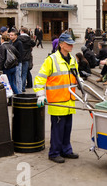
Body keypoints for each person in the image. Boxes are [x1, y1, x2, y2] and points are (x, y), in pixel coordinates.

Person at [34, 33, 81, 163]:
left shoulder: (72, 59)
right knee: (58, 130)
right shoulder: (51, 60)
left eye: (72, 43)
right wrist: (40, 94)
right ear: (61, 45)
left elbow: (76, 77)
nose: (71, 46)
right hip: (57, 102)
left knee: (67, 129)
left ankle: (66, 150)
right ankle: (54, 153)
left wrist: (81, 82)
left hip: (69, 101)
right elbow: (40, 78)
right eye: (68, 43)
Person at [18, 27, 36, 93]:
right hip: (26, 57)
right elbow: (34, 44)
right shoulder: (29, 39)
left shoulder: (18, 38)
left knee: (19, 72)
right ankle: (23, 87)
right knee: (24, 73)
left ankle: (19, 86)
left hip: (19, 57)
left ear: (22, 31)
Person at [10, 29, 24, 93]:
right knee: (14, 78)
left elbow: (20, 54)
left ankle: (19, 91)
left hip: (17, 63)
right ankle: (15, 91)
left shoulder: (19, 43)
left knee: (18, 77)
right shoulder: (10, 42)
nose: (10, 36)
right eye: (10, 35)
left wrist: (17, 61)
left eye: (12, 35)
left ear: (16, 36)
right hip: (12, 63)